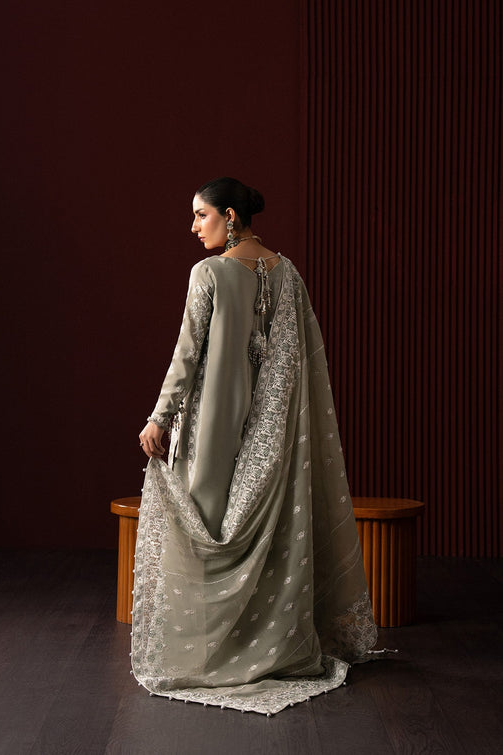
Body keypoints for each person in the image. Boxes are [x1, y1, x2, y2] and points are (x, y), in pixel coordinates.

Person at [132, 177, 377, 715]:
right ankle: (266, 646)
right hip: (273, 426)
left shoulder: (209, 273)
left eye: (201, 215)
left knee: (206, 529)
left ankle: (209, 656)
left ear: (229, 215)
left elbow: (187, 355)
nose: (194, 227)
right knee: (270, 532)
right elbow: (295, 363)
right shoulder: (287, 273)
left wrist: (159, 418)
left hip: (213, 423)